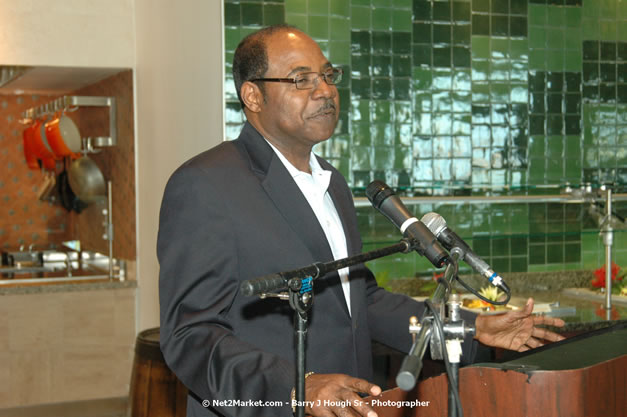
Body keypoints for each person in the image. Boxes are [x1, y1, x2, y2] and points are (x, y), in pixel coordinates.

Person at [158, 24, 565, 417]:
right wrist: (298, 386)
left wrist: (474, 329)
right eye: (301, 79)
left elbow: (360, 301)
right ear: (253, 95)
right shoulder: (206, 184)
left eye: (327, 75)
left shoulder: (331, 182)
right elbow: (189, 336)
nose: (325, 91)